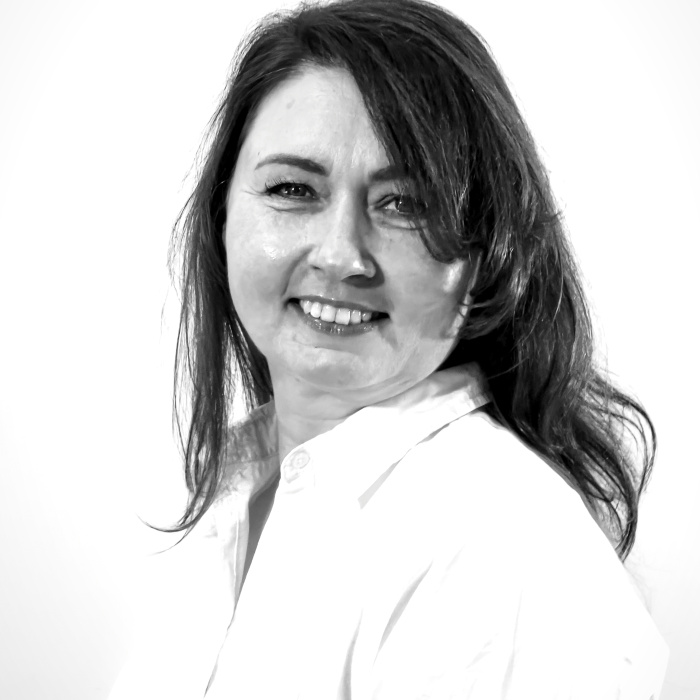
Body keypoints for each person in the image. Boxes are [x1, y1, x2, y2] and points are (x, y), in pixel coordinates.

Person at [110, 0, 669, 697]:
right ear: (222, 217)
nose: (341, 255)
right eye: (292, 189)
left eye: (405, 204)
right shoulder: (236, 494)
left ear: (484, 254)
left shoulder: (499, 550)